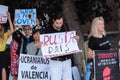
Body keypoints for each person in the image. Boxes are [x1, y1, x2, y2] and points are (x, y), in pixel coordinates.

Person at [45, 12, 79, 80]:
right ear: (53, 21)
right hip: (55, 61)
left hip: (67, 60)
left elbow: (70, 39)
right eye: (57, 23)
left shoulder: (65, 27)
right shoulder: (48, 30)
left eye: (61, 23)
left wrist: (75, 39)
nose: (59, 25)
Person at [0, 12, 14, 80]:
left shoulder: (4, 35)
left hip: (3, 56)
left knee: (3, 69)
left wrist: (9, 18)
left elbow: (12, 30)